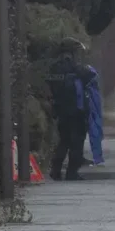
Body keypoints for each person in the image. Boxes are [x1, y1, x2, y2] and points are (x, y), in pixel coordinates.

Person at [45, 37, 95, 181]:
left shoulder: (54, 67)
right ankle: (72, 172)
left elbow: (50, 86)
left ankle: (55, 171)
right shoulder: (73, 66)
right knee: (77, 142)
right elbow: (88, 75)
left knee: (64, 141)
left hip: (61, 109)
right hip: (76, 110)